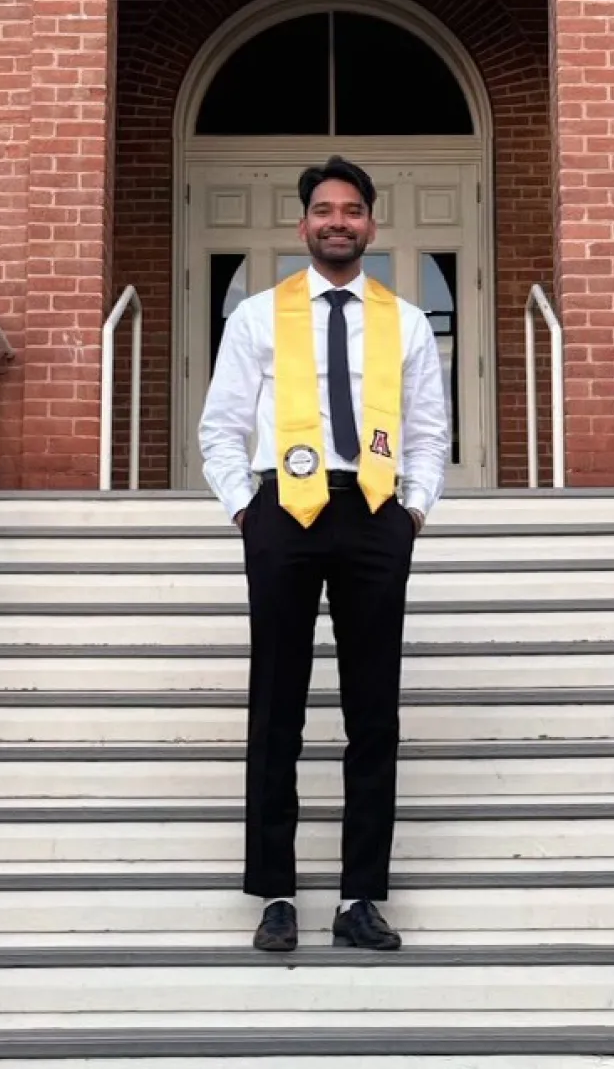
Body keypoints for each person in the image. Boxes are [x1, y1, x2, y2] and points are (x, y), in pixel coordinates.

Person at [199, 155, 449, 952]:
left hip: (375, 514)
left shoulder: (404, 321)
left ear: (371, 224)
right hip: (286, 512)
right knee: (277, 706)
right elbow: (222, 425)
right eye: (323, 210)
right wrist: (246, 508)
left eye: (351, 210)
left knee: (373, 713)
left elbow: (428, 430)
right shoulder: (258, 316)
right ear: (302, 224)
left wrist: (413, 511)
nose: (337, 221)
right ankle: (276, 891)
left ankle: (358, 899)